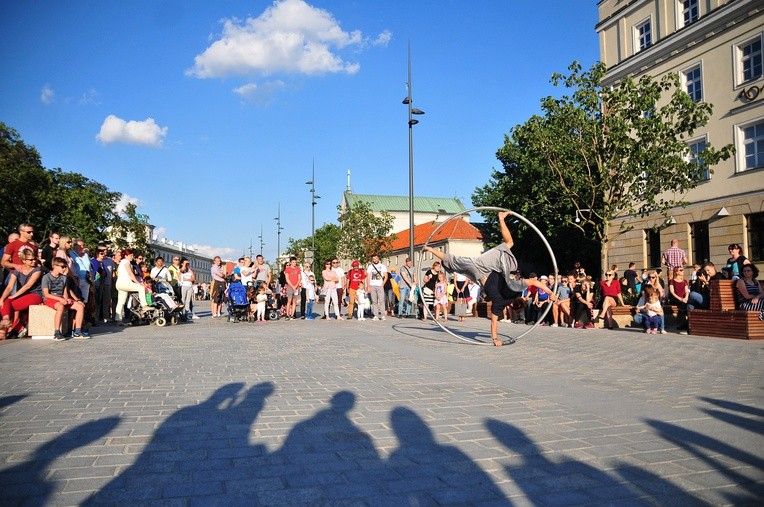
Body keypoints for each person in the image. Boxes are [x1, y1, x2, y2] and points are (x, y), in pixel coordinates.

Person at [424, 211, 555, 346]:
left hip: (490, 265)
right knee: (454, 261)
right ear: (512, 306)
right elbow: (493, 322)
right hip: (478, 271)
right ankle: (431, 250)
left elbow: (534, 281)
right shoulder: (500, 304)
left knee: (509, 243)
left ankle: (501, 219)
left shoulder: (516, 288)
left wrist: (551, 293)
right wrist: (495, 339)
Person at [0, 250, 43, 339]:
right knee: (5, 301)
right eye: (30, 260)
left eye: (34, 259)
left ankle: (4, 329)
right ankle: (6, 320)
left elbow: (27, 286)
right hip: (24, 295)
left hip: (36, 295)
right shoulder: (18, 270)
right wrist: (2, 298)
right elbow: (9, 286)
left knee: (10, 305)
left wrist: (13, 296)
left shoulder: (37, 270)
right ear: (23, 260)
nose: (33, 261)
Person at [42, 258, 87, 340]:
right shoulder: (46, 277)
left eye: (65, 267)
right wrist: (60, 299)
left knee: (80, 306)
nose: (64, 269)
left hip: (61, 297)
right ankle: (57, 332)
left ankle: (77, 331)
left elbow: (66, 291)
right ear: (54, 266)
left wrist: (68, 299)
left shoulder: (64, 278)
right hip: (51, 298)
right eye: (62, 267)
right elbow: (46, 294)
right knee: (60, 306)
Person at [115, 249, 150, 325]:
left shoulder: (121, 263)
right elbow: (130, 273)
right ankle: (144, 305)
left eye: (132, 255)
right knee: (141, 288)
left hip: (119, 283)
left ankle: (118, 319)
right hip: (125, 283)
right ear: (125, 256)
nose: (132, 257)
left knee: (121, 302)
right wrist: (138, 283)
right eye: (130, 255)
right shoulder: (126, 262)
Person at [668, 266, 690, 333]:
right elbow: (672, 292)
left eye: (682, 270)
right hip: (675, 299)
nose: (682, 271)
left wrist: (686, 298)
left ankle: (686, 323)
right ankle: (684, 324)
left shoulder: (685, 281)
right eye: (681, 270)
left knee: (688, 304)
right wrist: (680, 299)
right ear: (676, 272)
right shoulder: (672, 281)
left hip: (684, 299)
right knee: (682, 304)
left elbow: (687, 291)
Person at [366, 253, 388, 321]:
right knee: (374, 301)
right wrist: (368, 286)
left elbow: (386, 276)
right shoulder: (370, 267)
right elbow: (368, 277)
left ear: (378, 258)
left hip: (380, 285)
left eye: (376, 258)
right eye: (374, 259)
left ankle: (382, 315)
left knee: (381, 301)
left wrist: (382, 284)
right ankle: (375, 315)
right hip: (372, 285)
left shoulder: (382, 266)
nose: (375, 260)